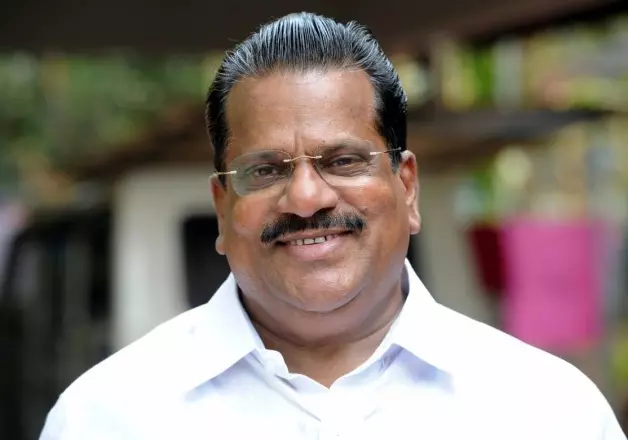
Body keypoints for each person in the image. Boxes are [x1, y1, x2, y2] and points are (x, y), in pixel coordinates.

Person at [40, 12, 625, 440]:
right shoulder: (106, 417)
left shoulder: (548, 411)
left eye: (343, 161)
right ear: (222, 207)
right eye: (265, 170)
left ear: (407, 187)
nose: (305, 197)